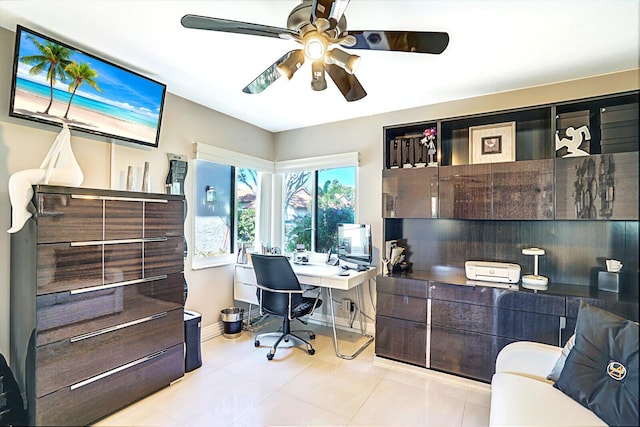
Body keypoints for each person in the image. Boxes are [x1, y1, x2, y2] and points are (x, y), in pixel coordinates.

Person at [7, 122, 83, 233]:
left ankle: (20, 215)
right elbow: (52, 155)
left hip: (72, 175)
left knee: (19, 178)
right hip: (71, 174)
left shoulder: (65, 133)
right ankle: (19, 215)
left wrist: (45, 177)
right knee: (16, 178)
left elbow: (53, 156)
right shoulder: (63, 135)